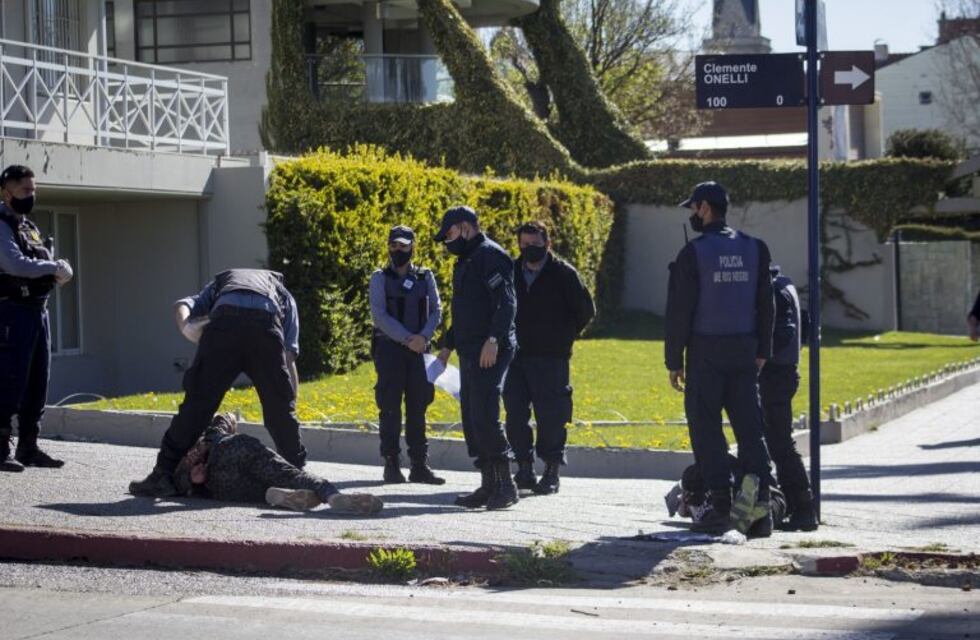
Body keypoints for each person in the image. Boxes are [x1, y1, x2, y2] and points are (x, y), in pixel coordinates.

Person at [129, 269, 307, 497]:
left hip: (223, 324)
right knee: (278, 411)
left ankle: (162, 475)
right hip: (266, 325)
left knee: (196, 407)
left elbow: (181, 306)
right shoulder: (283, 293)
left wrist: (194, 334)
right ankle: (297, 476)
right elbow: (288, 357)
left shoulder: (220, 283)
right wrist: (287, 404)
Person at [665, 181, 775, 537]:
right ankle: (760, 508)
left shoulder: (693, 253)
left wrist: (673, 360)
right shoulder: (755, 248)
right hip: (744, 351)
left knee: (706, 427)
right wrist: (763, 351)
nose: (693, 216)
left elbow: (679, 311)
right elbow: (766, 304)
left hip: (706, 352)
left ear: (706, 208)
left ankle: (722, 504)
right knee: (750, 429)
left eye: (693, 208)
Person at [434, 205, 518, 510]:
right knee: (472, 417)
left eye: (450, 233)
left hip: (491, 349)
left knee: (485, 414)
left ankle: (506, 485)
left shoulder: (490, 255)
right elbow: (466, 312)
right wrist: (447, 347)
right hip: (470, 349)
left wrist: (494, 339)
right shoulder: (466, 260)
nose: (447, 241)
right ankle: (488, 484)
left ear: (466, 227)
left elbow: (506, 304)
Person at [504, 220, 595, 495]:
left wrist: (562, 336)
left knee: (551, 415)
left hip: (551, 358)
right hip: (515, 357)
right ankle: (523, 467)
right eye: (525, 244)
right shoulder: (511, 271)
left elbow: (586, 311)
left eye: (535, 243)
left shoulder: (564, 274)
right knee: (515, 413)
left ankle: (552, 470)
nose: (530, 249)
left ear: (548, 244)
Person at [0, 165, 74, 472]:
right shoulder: (1, 223)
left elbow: (40, 260)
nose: (31, 196)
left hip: (37, 311)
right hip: (11, 311)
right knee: (9, 378)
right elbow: (15, 264)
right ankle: (1, 447)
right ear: (6, 191)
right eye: (25, 191)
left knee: (37, 380)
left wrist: (58, 268)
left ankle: (29, 446)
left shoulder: (27, 225)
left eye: (34, 190)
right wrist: (53, 267)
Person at [173, 413, 382, 514]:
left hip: (220, 483)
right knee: (290, 474)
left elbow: (178, 487)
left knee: (256, 492)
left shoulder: (176, 461)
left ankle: (275, 496)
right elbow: (226, 417)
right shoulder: (210, 433)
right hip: (233, 447)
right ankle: (331, 495)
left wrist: (194, 481)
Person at [369, 225, 444, 485]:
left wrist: (422, 337)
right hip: (391, 349)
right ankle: (391, 464)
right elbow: (379, 315)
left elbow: (436, 310)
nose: (398, 250)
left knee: (419, 407)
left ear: (413, 246)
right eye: (394, 245)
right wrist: (406, 338)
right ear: (388, 246)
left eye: (403, 245)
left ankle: (419, 465)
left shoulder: (426, 276)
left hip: (420, 349)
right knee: (389, 407)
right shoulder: (379, 277)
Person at [760, 265, 817, 531]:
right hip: (783, 372)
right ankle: (796, 506)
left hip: (775, 374)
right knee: (778, 443)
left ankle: (804, 508)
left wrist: (759, 356)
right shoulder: (786, 283)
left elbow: (784, 331)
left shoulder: (774, 290)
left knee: (781, 444)